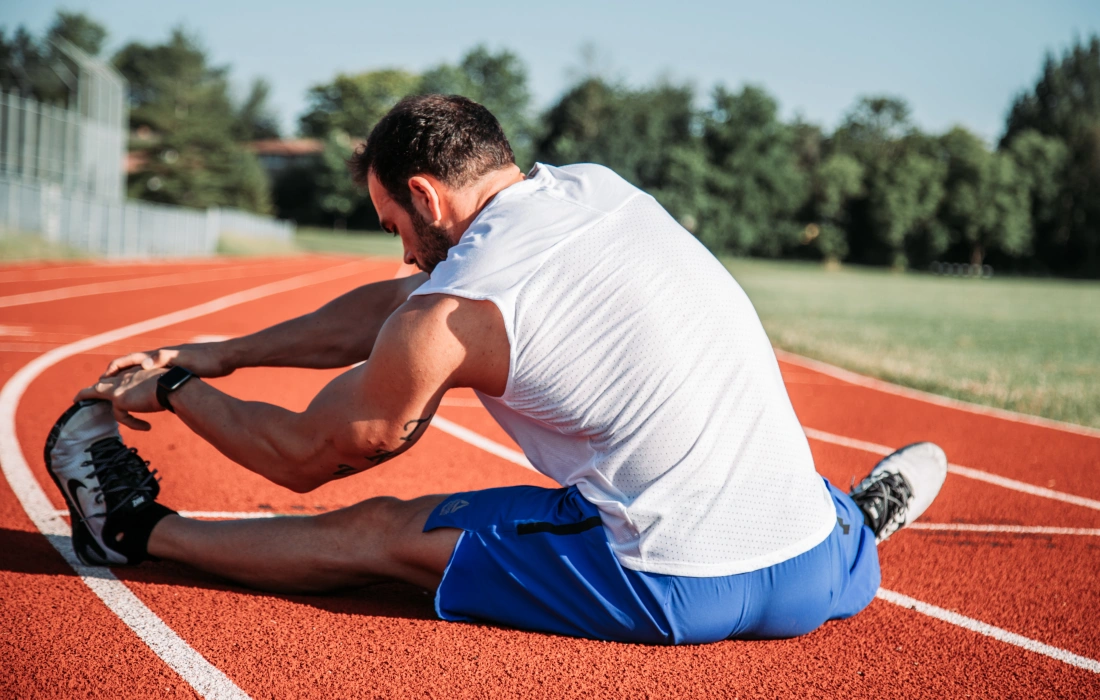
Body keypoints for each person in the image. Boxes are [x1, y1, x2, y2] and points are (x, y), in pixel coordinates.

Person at [45, 95, 947, 645]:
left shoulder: (450, 312)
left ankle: (132, 532)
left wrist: (174, 387)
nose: (400, 252)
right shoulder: (595, 188)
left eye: (394, 224)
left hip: (668, 581)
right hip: (811, 574)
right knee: (750, 454)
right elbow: (400, 307)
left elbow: (307, 453)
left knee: (377, 533)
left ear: (427, 198)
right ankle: (856, 524)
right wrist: (225, 352)